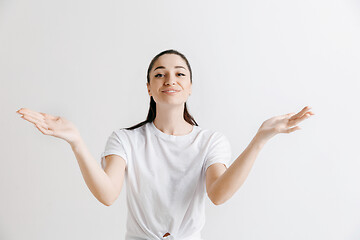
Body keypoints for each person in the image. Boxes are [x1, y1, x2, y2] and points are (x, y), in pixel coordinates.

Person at [16, 49, 315, 240]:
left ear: (189, 87)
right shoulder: (126, 139)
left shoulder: (210, 141)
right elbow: (108, 194)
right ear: (149, 88)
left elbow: (218, 194)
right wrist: (76, 142)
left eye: (179, 73)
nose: (169, 79)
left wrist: (260, 139)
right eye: (159, 74)